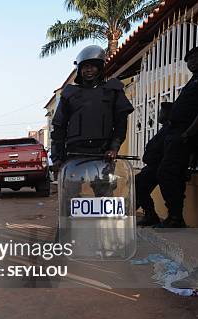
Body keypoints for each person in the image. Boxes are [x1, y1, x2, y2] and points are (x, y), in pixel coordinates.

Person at [50, 45, 134, 207]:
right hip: (74, 154)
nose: (88, 70)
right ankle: (68, 232)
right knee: (70, 197)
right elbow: (58, 128)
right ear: (79, 70)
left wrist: (114, 148)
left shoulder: (113, 90)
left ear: (100, 68)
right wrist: (57, 158)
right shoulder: (70, 93)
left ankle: (105, 230)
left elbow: (121, 123)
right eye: (85, 67)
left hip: (102, 153)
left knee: (104, 195)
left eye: (93, 66)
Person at [153, 46, 198, 228]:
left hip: (185, 135)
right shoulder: (193, 81)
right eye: (190, 58)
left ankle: (175, 217)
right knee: (170, 173)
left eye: (197, 57)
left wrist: (187, 134)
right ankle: (173, 216)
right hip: (173, 133)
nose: (193, 61)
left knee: (167, 173)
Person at [134, 102, 173, 226]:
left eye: (162, 112)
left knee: (139, 185)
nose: (159, 114)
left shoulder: (170, 128)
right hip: (152, 166)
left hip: (158, 166)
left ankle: (151, 215)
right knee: (138, 186)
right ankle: (149, 214)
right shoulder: (165, 128)